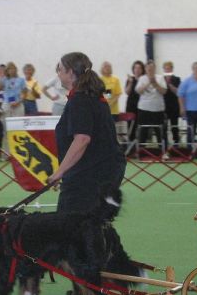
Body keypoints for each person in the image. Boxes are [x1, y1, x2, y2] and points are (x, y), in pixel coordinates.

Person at [47, 52, 125, 214]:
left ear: (70, 72)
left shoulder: (80, 100)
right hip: (103, 170)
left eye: (60, 69)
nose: (58, 73)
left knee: (69, 225)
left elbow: (82, 139)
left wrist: (59, 172)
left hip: (89, 174)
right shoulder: (93, 97)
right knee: (93, 227)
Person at [135, 61, 167, 148]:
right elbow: (138, 91)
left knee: (160, 131)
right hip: (144, 108)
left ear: (155, 69)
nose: (150, 70)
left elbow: (164, 91)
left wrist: (155, 83)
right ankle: (141, 151)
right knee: (143, 130)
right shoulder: (142, 78)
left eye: (152, 69)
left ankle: (163, 151)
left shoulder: (160, 78)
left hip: (158, 109)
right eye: (148, 69)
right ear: (145, 69)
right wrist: (149, 82)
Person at [124, 60, 145, 140]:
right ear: (133, 69)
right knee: (131, 126)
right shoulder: (130, 79)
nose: (137, 70)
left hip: (141, 106)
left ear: (142, 69)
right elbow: (127, 92)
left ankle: (140, 144)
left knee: (140, 126)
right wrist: (130, 82)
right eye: (136, 68)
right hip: (131, 105)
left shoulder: (144, 79)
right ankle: (130, 144)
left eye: (139, 68)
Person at [162, 61, 181, 147]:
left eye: (169, 68)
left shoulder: (177, 79)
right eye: (166, 68)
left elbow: (178, 92)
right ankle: (164, 144)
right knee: (164, 126)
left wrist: (169, 84)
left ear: (172, 69)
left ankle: (176, 142)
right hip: (163, 106)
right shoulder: (160, 79)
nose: (167, 70)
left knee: (174, 125)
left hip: (174, 105)